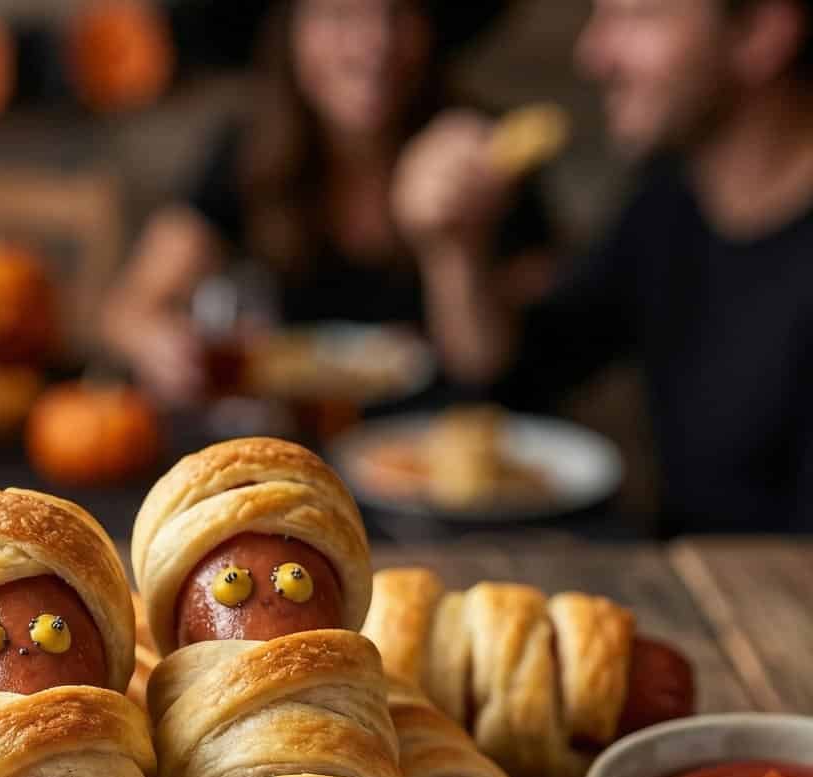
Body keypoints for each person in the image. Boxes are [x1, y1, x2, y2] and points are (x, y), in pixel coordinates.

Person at [395, 0, 813, 534]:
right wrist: (455, 251)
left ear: (760, 32)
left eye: (640, 16)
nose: (593, 54)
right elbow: (511, 377)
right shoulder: (667, 202)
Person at [98, 0, 556, 405]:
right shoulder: (248, 151)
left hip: (432, 463)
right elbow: (127, 310)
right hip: (294, 453)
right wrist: (162, 345)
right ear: (291, 32)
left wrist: (453, 245)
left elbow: (487, 371)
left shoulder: (486, 155)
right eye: (340, 15)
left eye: (397, 13)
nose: (374, 44)